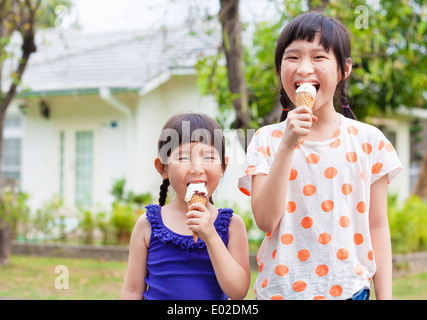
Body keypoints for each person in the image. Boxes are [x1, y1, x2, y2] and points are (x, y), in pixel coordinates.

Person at [238, 12, 402, 300]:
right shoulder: (265, 140)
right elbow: (264, 221)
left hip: (350, 291)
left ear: (344, 69)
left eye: (318, 57)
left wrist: (384, 297)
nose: (303, 68)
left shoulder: (369, 141)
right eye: (292, 57)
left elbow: (377, 225)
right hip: (281, 292)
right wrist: (287, 145)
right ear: (279, 69)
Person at [121, 112, 251, 300]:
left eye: (208, 157)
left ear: (223, 166)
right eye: (183, 158)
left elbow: (238, 292)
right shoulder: (147, 225)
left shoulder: (232, 225)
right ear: (163, 168)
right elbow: (132, 290)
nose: (197, 168)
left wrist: (211, 235)